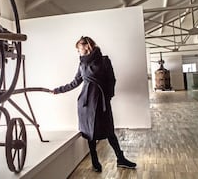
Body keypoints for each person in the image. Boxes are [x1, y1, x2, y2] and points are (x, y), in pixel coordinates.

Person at [51, 36, 136, 172]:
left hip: (101, 101)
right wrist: (58, 90)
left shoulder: (104, 60)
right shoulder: (82, 64)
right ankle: (95, 162)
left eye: (79, 48)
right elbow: (75, 82)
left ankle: (121, 159)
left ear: (87, 46)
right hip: (86, 102)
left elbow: (111, 80)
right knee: (90, 132)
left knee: (109, 129)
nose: (78, 52)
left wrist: (108, 97)